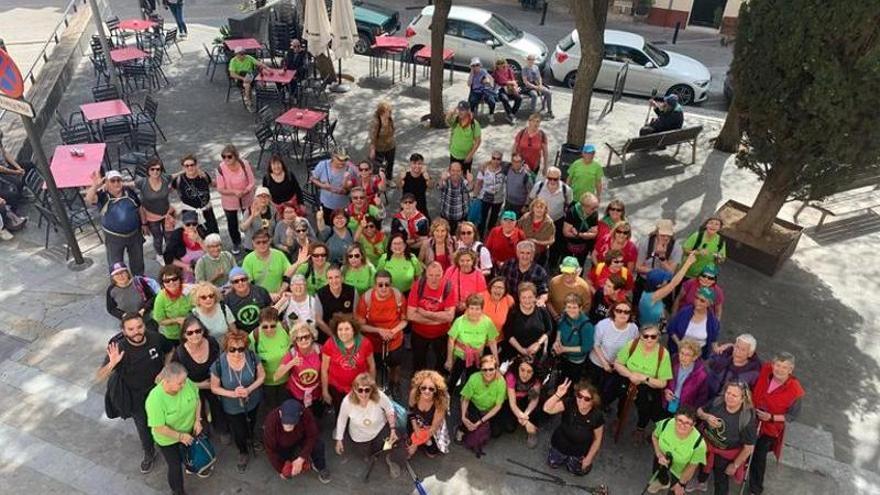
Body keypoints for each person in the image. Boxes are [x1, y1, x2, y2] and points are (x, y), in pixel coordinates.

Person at [96, 314, 173, 475]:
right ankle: (149, 453)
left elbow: (170, 350)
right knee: (144, 428)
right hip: (136, 398)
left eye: (139, 327)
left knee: (169, 420)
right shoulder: (119, 349)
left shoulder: (155, 338)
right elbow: (99, 376)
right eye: (131, 329)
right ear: (124, 331)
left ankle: (174, 446)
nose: (136, 332)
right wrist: (112, 363)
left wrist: (165, 369)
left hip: (159, 392)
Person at [748, 352, 805, 495]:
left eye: (784, 367)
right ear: (772, 364)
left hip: (770, 428)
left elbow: (791, 416)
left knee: (758, 457)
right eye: (777, 365)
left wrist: (771, 417)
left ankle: (755, 489)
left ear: (790, 370)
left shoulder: (796, 391)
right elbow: (750, 354)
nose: (779, 370)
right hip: (750, 418)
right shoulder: (766, 369)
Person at [210, 329, 265, 472]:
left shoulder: (252, 357)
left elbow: (261, 377)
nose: (237, 353)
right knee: (238, 430)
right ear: (226, 348)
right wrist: (232, 394)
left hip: (252, 399)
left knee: (252, 422)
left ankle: (251, 438)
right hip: (232, 406)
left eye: (241, 348)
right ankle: (243, 451)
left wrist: (249, 389)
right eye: (232, 349)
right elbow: (214, 387)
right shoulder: (219, 363)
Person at [334, 373, 405, 478]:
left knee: (389, 444)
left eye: (367, 390)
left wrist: (393, 429)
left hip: (379, 429)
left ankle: (390, 457)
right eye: (360, 390)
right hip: (360, 436)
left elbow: (389, 409)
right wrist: (339, 439)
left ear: (372, 390)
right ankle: (374, 451)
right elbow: (342, 420)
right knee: (365, 455)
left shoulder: (379, 395)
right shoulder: (347, 401)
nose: (363, 394)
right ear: (354, 389)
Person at [146, 362, 201, 493]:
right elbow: (159, 427)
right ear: (166, 381)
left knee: (190, 454)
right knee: (175, 466)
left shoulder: (187, 383)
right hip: (168, 439)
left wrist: (198, 420)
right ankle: (178, 491)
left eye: (184, 381)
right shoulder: (155, 400)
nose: (184, 385)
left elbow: (197, 399)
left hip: (188, 430)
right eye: (179, 383)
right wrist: (180, 437)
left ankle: (192, 466)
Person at [694, 381, 757, 493]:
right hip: (707, 445)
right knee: (702, 466)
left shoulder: (747, 418)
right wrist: (707, 417)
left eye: (734, 395)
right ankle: (701, 481)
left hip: (725, 455)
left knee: (721, 479)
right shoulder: (717, 401)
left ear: (743, 399)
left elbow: (749, 448)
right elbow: (699, 411)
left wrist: (735, 465)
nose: (729, 397)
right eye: (728, 393)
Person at [614, 324, 673, 442]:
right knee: (622, 400)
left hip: (648, 385)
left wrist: (644, 378)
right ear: (640, 336)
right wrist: (631, 375)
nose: (649, 339)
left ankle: (640, 428)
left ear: (658, 337)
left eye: (653, 336)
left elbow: (662, 383)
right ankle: (619, 419)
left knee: (645, 409)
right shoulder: (632, 344)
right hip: (629, 379)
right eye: (645, 336)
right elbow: (618, 363)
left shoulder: (663, 354)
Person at [173, 316, 224, 443]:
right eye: (190, 332)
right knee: (198, 412)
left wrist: (215, 382)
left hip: (213, 382)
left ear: (203, 331)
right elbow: (177, 377)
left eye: (198, 331)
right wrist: (200, 385)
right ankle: (203, 434)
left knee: (218, 407)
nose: (195, 335)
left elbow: (219, 362)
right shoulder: (180, 353)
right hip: (192, 386)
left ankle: (222, 429)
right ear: (184, 335)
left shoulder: (211, 342)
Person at [356, 270, 408, 396]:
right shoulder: (366, 298)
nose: (384, 288)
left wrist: (393, 331)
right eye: (380, 285)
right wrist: (379, 331)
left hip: (394, 340)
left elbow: (405, 320)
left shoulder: (398, 296)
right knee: (374, 366)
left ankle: (394, 384)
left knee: (395, 365)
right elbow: (361, 326)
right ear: (374, 285)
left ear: (391, 284)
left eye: (387, 284)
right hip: (373, 342)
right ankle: (376, 388)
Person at [85, 170, 145, 275]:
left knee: (138, 260)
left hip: (134, 234)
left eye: (119, 180)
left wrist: (144, 224)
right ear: (107, 183)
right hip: (114, 238)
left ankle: (139, 279)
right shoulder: (103, 196)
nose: (116, 183)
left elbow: (139, 208)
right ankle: (118, 282)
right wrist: (95, 186)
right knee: (116, 263)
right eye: (113, 181)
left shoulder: (129, 192)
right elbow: (89, 199)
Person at [543, 379, 604, 476]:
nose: (581, 400)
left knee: (577, 471)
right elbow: (547, 409)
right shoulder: (570, 403)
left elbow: (597, 439)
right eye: (579, 396)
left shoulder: (597, 415)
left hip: (579, 451)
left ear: (593, 400)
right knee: (552, 464)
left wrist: (589, 458)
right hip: (560, 444)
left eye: (587, 399)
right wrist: (558, 395)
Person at [264, 399, 331, 483]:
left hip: (301, 437)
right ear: (280, 413)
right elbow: (270, 448)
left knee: (318, 445)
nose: (289, 426)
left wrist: (302, 457)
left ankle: (320, 466)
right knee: (282, 461)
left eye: (292, 422)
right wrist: (280, 469)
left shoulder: (306, 413)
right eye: (286, 422)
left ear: (300, 414)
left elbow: (312, 435)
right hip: (283, 444)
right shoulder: (271, 420)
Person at [587, 300, 639, 404]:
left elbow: (633, 347)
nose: (622, 314)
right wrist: (604, 363)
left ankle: (603, 405)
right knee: (593, 389)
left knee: (609, 391)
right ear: (613, 312)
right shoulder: (603, 325)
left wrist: (620, 362)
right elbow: (596, 345)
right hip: (598, 363)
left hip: (617, 366)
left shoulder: (633, 329)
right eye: (619, 311)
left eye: (626, 312)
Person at [409, 262, 457, 372]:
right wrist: (439, 318)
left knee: (440, 364)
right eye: (431, 275)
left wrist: (426, 314)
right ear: (426, 274)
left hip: (441, 334)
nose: (434, 279)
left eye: (437, 275)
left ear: (443, 274)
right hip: (419, 333)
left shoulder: (448, 286)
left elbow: (449, 317)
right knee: (418, 364)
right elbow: (411, 315)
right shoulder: (418, 285)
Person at [321, 315, 376, 410]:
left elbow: (372, 366)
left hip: (360, 387)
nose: (343, 333)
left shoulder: (365, 343)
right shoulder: (330, 343)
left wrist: (371, 387)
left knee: (359, 412)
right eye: (340, 329)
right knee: (340, 410)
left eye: (347, 329)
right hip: (337, 387)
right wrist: (325, 391)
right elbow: (324, 369)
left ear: (354, 330)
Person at [646, 407, 707, 494]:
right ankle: (663, 482)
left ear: (693, 424)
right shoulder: (666, 423)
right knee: (658, 473)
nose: (682, 425)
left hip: (680, 472)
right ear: (675, 419)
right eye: (680, 420)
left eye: (687, 423)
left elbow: (691, 467)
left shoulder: (699, 444)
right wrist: (659, 454)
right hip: (661, 458)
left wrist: (681, 484)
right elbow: (654, 436)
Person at [249, 308, 291, 431]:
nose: (269, 329)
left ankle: (285, 428)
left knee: (284, 406)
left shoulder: (285, 330)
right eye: (265, 327)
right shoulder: (254, 336)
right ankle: (273, 429)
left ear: (277, 323)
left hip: (286, 378)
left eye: (272, 326)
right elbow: (250, 357)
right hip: (266, 381)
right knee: (271, 408)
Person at [445, 294, 499, 389]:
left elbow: (492, 342)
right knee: (452, 380)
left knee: (471, 381)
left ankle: (465, 398)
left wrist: (496, 360)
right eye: (471, 308)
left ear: (482, 309)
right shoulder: (459, 321)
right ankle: (447, 398)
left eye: (477, 309)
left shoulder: (487, 322)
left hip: (477, 357)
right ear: (467, 308)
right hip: (460, 356)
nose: (474, 312)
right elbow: (451, 340)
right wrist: (449, 360)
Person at [457, 355, 506, 457]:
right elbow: (466, 399)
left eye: (491, 369)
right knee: (468, 423)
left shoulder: (501, 382)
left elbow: (497, 406)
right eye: (485, 370)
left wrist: (481, 421)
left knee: (496, 432)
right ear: (480, 369)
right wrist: (463, 417)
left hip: (490, 410)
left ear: (496, 368)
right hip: (474, 405)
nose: (488, 373)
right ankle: (461, 428)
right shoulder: (474, 378)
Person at [215, 144, 256, 254]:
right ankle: (236, 242)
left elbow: (252, 181)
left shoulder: (244, 164)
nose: (226, 159)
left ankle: (251, 241)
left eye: (229, 156)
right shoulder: (221, 168)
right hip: (229, 201)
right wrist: (234, 192)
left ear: (235, 156)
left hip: (246, 197)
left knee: (249, 220)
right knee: (232, 223)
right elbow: (220, 188)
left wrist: (246, 191)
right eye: (224, 157)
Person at [275, 322, 323, 412]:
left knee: (316, 416)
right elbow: (276, 376)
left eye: (306, 336)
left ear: (312, 337)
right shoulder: (292, 353)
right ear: (295, 341)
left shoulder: (319, 350)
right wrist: (291, 363)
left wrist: (325, 391)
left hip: (316, 394)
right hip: (296, 394)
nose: (303, 340)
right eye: (299, 338)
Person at [638, 253, 696, 327]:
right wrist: (688, 263)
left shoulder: (649, 293)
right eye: (665, 280)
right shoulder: (651, 297)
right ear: (658, 285)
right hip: (651, 332)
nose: (668, 281)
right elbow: (674, 283)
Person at [529, 166, 571, 265]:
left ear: (560, 178)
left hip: (557, 220)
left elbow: (568, 203)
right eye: (550, 178)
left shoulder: (566, 190)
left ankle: (552, 265)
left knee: (555, 245)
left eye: (555, 179)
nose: (552, 181)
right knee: (537, 242)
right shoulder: (539, 186)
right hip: (539, 220)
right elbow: (531, 198)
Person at [502, 282, 553, 363]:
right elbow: (508, 333)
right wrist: (522, 350)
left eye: (530, 297)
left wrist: (538, 343)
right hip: (516, 353)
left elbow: (549, 329)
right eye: (524, 297)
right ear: (519, 298)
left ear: (535, 297)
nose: (527, 300)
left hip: (537, 353)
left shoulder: (541, 310)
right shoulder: (513, 311)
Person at [136, 158, 174, 263]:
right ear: (148, 171)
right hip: (151, 215)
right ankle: (159, 255)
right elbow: (128, 184)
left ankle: (170, 254)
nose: (155, 172)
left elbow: (175, 175)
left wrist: (187, 169)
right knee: (158, 238)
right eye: (152, 169)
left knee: (169, 236)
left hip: (166, 213)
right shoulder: (142, 182)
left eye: (158, 169)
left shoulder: (165, 178)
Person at [636, 219, 683, 303]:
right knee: (639, 305)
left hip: (664, 283)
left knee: (661, 309)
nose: (666, 238)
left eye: (668, 235)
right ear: (656, 232)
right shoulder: (645, 243)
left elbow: (671, 272)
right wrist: (656, 274)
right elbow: (638, 267)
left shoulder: (676, 248)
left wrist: (662, 257)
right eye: (662, 235)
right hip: (645, 280)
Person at [667, 287, 722, 359]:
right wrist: (679, 344)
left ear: (709, 303)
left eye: (702, 301)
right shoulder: (684, 312)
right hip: (678, 352)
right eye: (696, 298)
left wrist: (718, 349)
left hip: (698, 356)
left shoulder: (713, 322)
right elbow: (671, 329)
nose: (697, 302)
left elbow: (713, 340)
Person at [407, 370, 451, 458]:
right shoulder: (414, 393)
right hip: (416, 421)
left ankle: (424, 442)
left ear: (436, 390)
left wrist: (416, 443)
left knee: (431, 454)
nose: (427, 391)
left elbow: (434, 428)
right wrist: (416, 429)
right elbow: (411, 412)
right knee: (408, 446)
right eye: (423, 388)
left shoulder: (439, 404)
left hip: (430, 428)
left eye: (431, 389)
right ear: (419, 387)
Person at [499, 357, 543, 445]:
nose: (525, 375)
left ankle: (532, 433)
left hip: (526, 399)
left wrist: (525, 415)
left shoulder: (536, 379)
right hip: (511, 400)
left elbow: (534, 400)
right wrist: (523, 418)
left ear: (534, 372)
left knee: (535, 410)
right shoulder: (511, 376)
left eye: (529, 371)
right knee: (509, 427)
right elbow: (512, 403)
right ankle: (522, 421)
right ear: (517, 368)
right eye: (522, 370)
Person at [106, 262, 159, 332]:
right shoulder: (111, 290)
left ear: (127, 273)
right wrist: (123, 315)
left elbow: (153, 298)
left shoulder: (138, 282)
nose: (120, 276)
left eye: (122, 272)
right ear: (112, 277)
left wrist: (144, 309)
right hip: (128, 324)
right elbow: (111, 308)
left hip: (146, 320)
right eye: (116, 274)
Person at [171, 154, 218, 235]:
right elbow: (166, 186)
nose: (190, 168)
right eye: (186, 166)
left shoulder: (204, 176)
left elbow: (213, 184)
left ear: (196, 165)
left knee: (213, 234)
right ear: (183, 167)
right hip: (189, 213)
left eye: (192, 165)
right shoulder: (179, 180)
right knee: (194, 237)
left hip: (207, 211)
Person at [705, 334, 762, 399]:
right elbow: (710, 362)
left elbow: (750, 394)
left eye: (743, 350)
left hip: (728, 402)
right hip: (707, 392)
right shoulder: (724, 354)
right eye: (737, 347)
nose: (737, 352)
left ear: (750, 353)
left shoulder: (753, 373)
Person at [553, 293, 594, 383]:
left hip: (576, 360)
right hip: (563, 355)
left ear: (580, 308)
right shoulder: (564, 316)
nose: (571, 310)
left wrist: (564, 349)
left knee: (572, 381)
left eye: (574, 307)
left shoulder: (586, 325)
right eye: (569, 307)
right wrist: (557, 341)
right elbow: (559, 328)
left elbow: (586, 347)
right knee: (562, 377)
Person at [242, 228, 293, 298]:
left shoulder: (279, 255)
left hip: (280, 295)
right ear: (253, 243)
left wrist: (279, 293)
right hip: (259, 298)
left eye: (264, 242)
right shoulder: (248, 260)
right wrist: (268, 295)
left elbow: (288, 276)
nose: (261, 244)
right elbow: (248, 285)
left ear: (269, 241)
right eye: (258, 242)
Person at [663, 339, 709, 416]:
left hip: (685, 410)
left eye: (687, 355)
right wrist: (665, 390)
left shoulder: (701, 375)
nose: (683, 357)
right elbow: (664, 378)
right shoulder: (673, 361)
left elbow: (702, 398)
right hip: (669, 402)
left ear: (695, 357)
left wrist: (691, 412)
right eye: (681, 353)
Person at [498, 240, 549, 305]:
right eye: (522, 253)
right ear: (517, 254)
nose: (525, 256)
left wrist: (541, 300)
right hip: (507, 302)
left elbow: (544, 292)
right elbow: (499, 282)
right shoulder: (508, 264)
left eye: (528, 253)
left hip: (528, 305)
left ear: (532, 255)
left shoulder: (540, 272)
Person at [310, 147, 356, 219]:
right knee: (327, 224)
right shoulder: (322, 165)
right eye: (339, 159)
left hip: (343, 205)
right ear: (333, 157)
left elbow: (351, 189)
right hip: (326, 203)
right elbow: (312, 179)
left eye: (345, 159)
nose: (342, 162)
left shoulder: (350, 169)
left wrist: (345, 183)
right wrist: (323, 186)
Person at [153, 265, 194, 344]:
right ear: (162, 283)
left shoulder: (188, 290)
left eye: (174, 279)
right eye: (167, 281)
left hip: (191, 331)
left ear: (180, 279)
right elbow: (160, 321)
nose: (171, 282)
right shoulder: (160, 298)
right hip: (172, 336)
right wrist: (177, 320)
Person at [224, 266, 273, 333]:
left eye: (243, 279)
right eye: (236, 281)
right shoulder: (228, 300)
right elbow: (230, 322)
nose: (240, 283)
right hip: (243, 335)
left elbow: (270, 310)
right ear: (231, 284)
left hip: (263, 329)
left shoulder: (260, 292)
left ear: (248, 280)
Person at [315, 266, 358, 342]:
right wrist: (334, 336)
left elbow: (355, 316)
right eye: (330, 278)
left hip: (348, 332)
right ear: (327, 280)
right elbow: (319, 321)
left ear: (342, 278)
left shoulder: (352, 291)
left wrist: (347, 334)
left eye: (337, 277)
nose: (334, 281)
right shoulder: (320, 294)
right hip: (327, 334)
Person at [163, 210, 205, 283]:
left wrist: (199, 240)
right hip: (185, 274)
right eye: (188, 224)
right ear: (183, 225)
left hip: (203, 271)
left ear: (197, 224)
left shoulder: (203, 232)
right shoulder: (177, 235)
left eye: (194, 224)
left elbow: (212, 252)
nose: (191, 227)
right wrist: (185, 266)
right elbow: (168, 257)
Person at [562, 192, 600, 266]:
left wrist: (577, 234)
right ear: (584, 207)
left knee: (580, 265)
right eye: (592, 208)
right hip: (569, 245)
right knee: (566, 265)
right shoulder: (572, 212)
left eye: (596, 207)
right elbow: (566, 232)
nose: (595, 210)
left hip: (584, 246)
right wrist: (586, 234)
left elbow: (594, 234)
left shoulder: (594, 214)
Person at [475, 151, 507, 236]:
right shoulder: (484, 169)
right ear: (491, 158)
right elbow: (479, 183)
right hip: (485, 197)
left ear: (501, 160)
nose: (495, 161)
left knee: (494, 218)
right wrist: (475, 196)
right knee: (482, 217)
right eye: (493, 158)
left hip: (498, 199)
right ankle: (480, 235)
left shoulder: (504, 169)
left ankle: (490, 234)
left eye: (498, 159)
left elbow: (515, 164)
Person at [446, 101, 482, 174]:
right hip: (454, 154)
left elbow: (478, 141)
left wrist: (470, 155)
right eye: (459, 109)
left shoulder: (474, 124)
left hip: (466, 157)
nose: (460, 112)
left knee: (466, 176)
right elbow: (447, 121)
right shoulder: (456, 120)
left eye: (462, 110)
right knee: (453, 174)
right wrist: (451, 113)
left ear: (468, 111)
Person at [438, 161, 472, 236]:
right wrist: (442, 179)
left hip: (461, 218)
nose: (455, 173)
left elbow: (469, 188)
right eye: (453, 170)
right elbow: (440, 186)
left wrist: (470, 182)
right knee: (445, 236)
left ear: (461, 172)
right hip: (446, 217)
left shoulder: (464, 181)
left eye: (458, 171)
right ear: (449, 171)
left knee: (459, 237)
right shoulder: (446, 180)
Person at [228, 46, 266, 110]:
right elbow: (232, 74)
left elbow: (259, 64)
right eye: (241, 54)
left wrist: (268, 69)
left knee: (261, 82)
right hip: (240, 78)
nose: (243, 55)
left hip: (250, 76)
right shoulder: (233, 61)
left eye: (243, 53)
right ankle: (248, 102)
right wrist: (243, 78)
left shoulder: (248, 57)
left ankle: (258, 99)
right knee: (247, 85)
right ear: (236, 54)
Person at [479, 276, 515, 345]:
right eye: (494, 287)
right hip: (479, 340)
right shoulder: (481, 297)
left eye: (501, 288)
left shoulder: (509, 300)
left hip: (498, 341)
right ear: (490, 288)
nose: (497, 290)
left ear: (505, 290)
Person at [240, 186, 276, 252]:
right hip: (252, 246)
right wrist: (252, 216)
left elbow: (277, 227)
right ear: (255, 199)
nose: (263, 199)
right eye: (260, 196)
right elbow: (242, 228)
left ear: (269, 199)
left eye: (266, 196)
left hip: (269, 244)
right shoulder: (249, 210)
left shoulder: (273, 210)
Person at [369, 101, 397, 179]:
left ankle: (388, 179)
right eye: (388, 111)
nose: (390, 113)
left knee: (390, 164)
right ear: (382, 112)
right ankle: (377, 181)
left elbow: (393, 129)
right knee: (377, 165)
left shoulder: (390, 119)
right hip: (379, 147)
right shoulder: (376, 122)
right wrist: (372, 149)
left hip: (390, 145)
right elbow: (373, 136)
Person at [521, 54, 554, 118]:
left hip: (537, 84)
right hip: (530, 87)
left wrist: (540, 85)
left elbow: (539, 77)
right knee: (534, 95)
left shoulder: (536, 67)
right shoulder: (524, 69)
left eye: (533, 60)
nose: (531, 61)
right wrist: (535, 87)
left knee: (548, 93)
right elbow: (525, 82)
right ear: (527, 60)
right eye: (530, 60)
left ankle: (549, 111)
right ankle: (532, 112)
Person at [492, 58, 522, 124]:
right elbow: (501, 81)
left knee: (519, 98)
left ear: (505, 63)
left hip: (510, 89)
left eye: (502, 63)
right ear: (496, 65)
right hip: (500, 89)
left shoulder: (509, 70)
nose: (500, 65)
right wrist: (512, 82)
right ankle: (511, 116)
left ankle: (511, 114)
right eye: (498, 64)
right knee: (504, 99)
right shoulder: (496, 72)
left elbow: (513, 79)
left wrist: (514, 86)